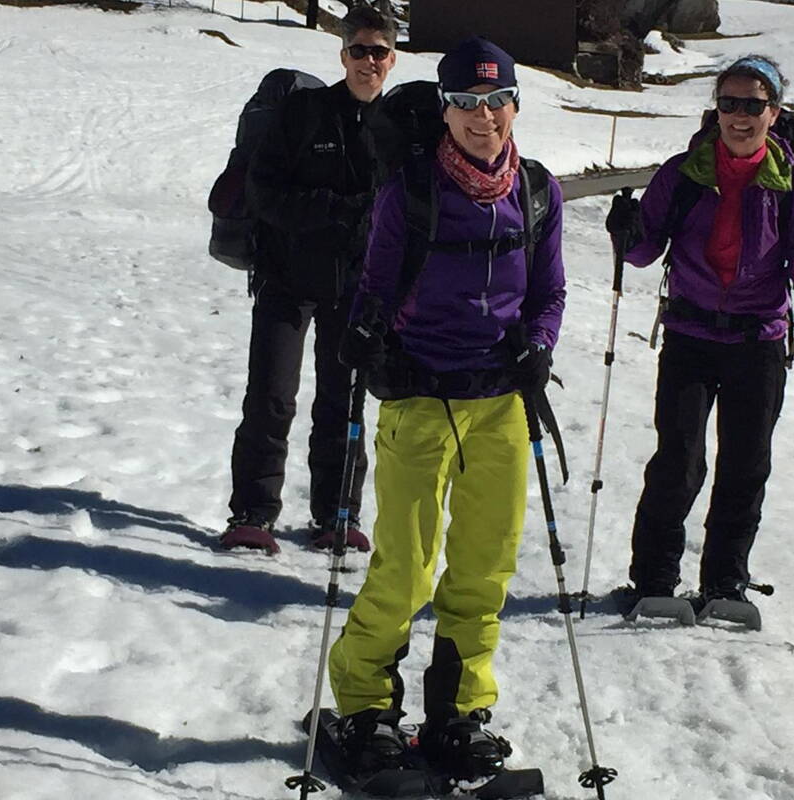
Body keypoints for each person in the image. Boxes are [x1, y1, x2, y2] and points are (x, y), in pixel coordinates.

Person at [325, 37, 566, 781]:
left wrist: (539, 345)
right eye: (466, 102)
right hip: (421, 399)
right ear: (446, 109)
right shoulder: (414, 190)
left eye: (496, 101)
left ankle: (459, 711)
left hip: (500, 403)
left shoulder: (537, 190)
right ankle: (366, 706)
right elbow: (376, 280)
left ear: (516, 103)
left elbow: (549, 292)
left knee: (484, 570)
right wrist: (364, 335)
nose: (483, 117)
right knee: (406, 568)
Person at [605, 55, 794, 613]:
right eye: (729, 103)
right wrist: (626, 232)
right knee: (678, 461)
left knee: (745, 464)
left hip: (757, 341)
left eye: (753, 104)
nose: (740, 115)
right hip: (690, 332)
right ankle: (654, 581)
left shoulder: (790, 186)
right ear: (717, 111)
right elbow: (642, 251)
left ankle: (724, 583)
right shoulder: (683, 174)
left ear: (773, 113)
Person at [221, 7, 398, 555]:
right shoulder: (304, 113)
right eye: (359, 51)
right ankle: (252, 513)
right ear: (342, 55)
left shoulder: (398, 128)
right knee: (272, 397)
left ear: (392, 59)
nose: (369, 62)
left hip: (356, 287)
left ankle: (337, 514)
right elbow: (263, 192)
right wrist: (332, 210)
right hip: (286, 278)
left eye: (379, 52)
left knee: (343, 403)